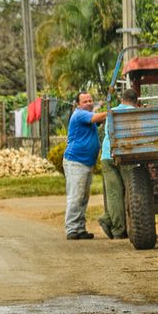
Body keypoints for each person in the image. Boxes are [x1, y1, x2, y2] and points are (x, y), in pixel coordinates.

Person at [63, 91, 108, 240]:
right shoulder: (79, 114)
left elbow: (96, 117)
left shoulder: (87, 114)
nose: (88, 103)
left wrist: (101, 106)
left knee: (83, 197)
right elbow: (97, 117)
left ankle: (80, 228)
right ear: (78, 104)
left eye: (90, 100)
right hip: (76, 161)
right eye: (85, 101)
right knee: (76, 196)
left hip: (85, 162)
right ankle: (71, 229)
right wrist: (112, 111)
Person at [98, 88, 139, 240]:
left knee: (114, 194)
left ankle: (117, 229)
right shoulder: (136, 112)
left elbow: (109, 133)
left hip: (107, 155)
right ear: (136, 100)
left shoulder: (111, 112)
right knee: (130, 191)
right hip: (126, 155)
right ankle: (122, 225)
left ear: (122, 100)